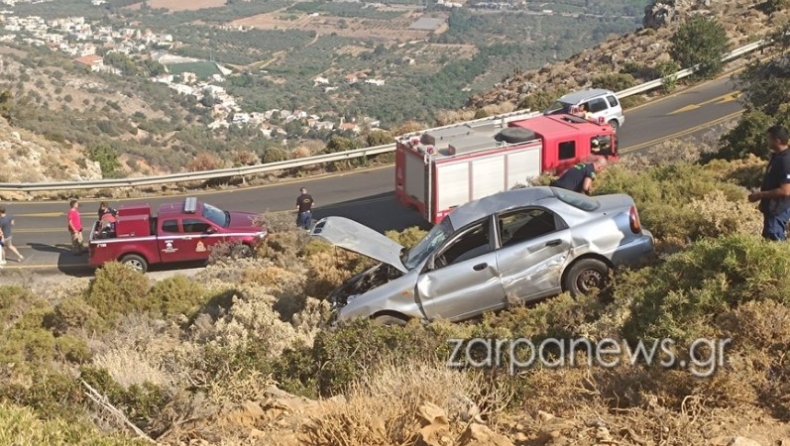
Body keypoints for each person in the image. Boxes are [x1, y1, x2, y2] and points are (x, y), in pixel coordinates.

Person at [747, 125, 790, 241]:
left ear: (777, 140)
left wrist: (760, 195)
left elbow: (785, 190)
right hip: (771, 208)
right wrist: (763, 202)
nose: (767, 141)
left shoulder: (786, 160)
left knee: (774, 242)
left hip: (777, 210)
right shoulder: (777, 156)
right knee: (768, 240)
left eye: (769, 138)